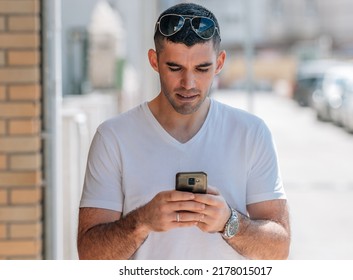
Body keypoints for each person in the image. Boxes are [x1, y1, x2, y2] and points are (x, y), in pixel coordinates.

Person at [77, 2, 290, 260]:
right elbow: (88, 255)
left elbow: (279, 249)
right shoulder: (113, 137)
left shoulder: (251, 133)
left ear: (219, 63)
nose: (188, 84)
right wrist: (142, 221)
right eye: (175, 68)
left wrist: (229, 222)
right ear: (154, 61)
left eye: (202, 69)